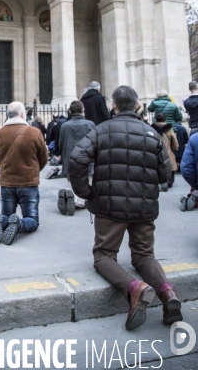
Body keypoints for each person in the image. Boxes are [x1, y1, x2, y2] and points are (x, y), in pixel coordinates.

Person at [68, 85, 182, 330]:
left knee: (103, 256)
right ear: (138, 106)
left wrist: (86, 193)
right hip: (144, 207)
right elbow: (164, 174)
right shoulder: (151, 134)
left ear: (114, 106)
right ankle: (167, 292)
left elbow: (75, 161)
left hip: (109, 208)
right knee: (143, 256)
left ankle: (135, 288)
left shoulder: (101, 130)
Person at [0, 102, 48, 245]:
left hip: (7, 182)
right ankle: (19, 225)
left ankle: (2, 221)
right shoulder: (34, 132)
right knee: (32, 219)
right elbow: (43, 157)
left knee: (6, 214)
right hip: (28, 182)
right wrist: (33, 169)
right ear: (23, 114)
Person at [58, 101, 95, 179]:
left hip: (70, 163)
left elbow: (60, 145)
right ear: (83, 110)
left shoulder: (64, 126)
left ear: (70, 111)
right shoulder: (90, 124)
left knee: (71, 188)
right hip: (86, 163)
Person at [151, 113, 179, 189]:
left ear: (155, 119)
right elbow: (175, 143)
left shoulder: (152, 129)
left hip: (155, 152)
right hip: (167, 152)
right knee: (169, 164)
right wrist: (174, 147)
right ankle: (169, 181)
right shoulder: (169, 129)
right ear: (165, 119)